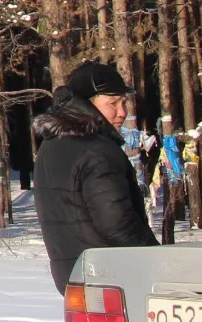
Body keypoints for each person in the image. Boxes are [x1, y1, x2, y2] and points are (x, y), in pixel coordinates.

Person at [32, 61, 155, 293]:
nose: (122, 112)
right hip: (111, 279)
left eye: (123, 102)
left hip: (75, 278)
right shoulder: (97, 150)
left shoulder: (51, 146)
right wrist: (155, 260)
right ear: (87, 104)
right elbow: (117, 223)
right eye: (112, 103)